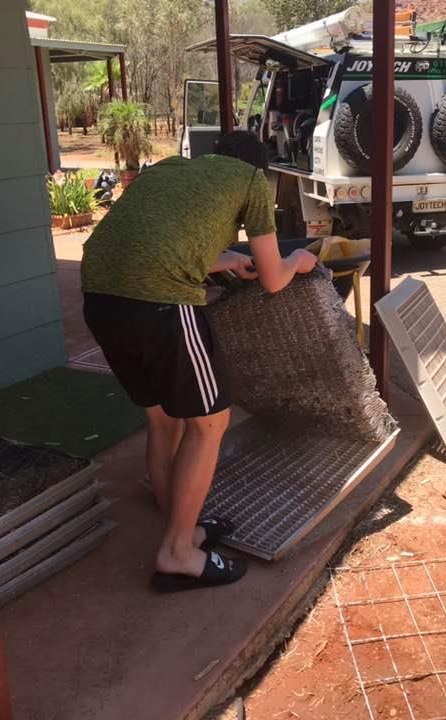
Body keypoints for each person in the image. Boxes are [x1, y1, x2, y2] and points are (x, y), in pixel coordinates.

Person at [81, 131, 317, 593]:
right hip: (160, 305)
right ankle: (178, 554)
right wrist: (299, 260)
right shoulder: (250, 180)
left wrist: (226, 260)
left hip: (100, 298)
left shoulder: (170, 168)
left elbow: (155, 237)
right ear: (258, 168)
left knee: (162, 419)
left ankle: (180, 526)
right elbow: (273, 280)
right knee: (209, 423)